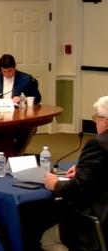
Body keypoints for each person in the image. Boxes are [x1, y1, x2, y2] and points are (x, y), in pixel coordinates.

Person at [41, 96, 108, 251]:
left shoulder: (97, 143)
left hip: (98, 221)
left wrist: (55, 183)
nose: (94, 122)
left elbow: (78, 187)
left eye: (96, 118)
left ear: (105, 121)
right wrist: (84, 168)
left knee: (48, 239)